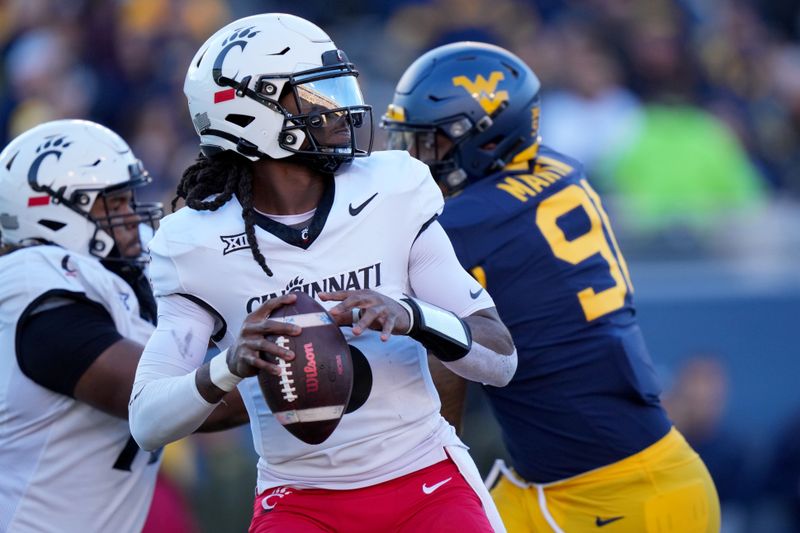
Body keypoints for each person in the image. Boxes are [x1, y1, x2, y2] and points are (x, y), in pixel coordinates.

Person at [128, 13, 517, 533]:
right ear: (248, 113)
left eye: (339, 87)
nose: (341, 108)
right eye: (315, 95)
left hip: (425, 481)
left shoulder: (393, 189)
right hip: (301, 501)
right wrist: (229, 366)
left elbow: (501, 358)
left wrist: (412, 316)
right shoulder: (192, 242)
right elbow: (146, 421)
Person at [382, 42, 721, 532]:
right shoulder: (558, 168)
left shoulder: (469, 222)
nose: (416, 157)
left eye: (430, 142)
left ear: (487, 141)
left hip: (619, 499)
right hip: (580, 481)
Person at [0, 119, 246, 533]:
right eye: (112, 205)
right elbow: (172, 403)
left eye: (128, 200)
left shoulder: (115, 284)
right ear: (50, 212)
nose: (132, 216)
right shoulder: (35, 288)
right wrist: (302, 371)